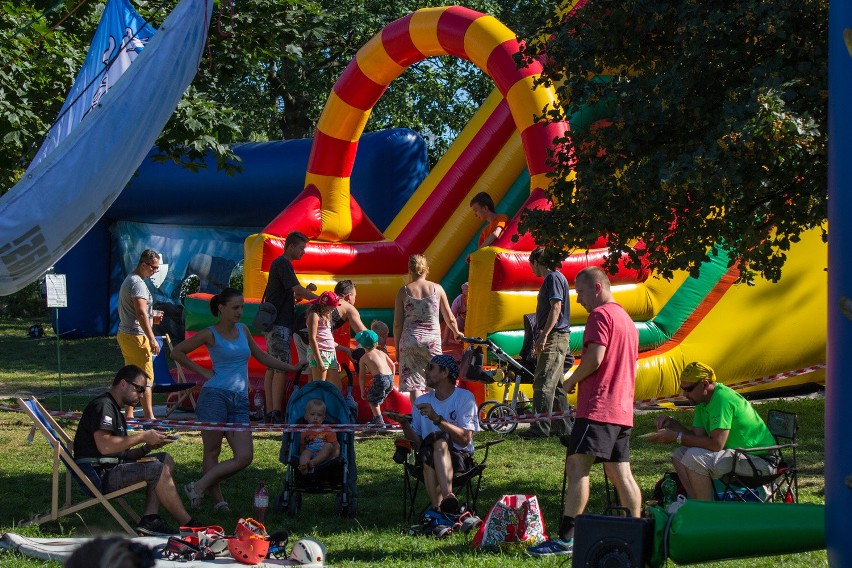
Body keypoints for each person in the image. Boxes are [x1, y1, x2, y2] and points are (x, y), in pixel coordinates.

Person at [528, 266, 642, 557]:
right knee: (622, 474)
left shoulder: (600, 315)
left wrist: (569, 382)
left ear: (597, 288)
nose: (577, 300)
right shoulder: (627, 320)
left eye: (579, 292)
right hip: (621, 409)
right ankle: (637, 532)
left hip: (598, 408)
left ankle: (566, 539)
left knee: (577, 468)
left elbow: (595, 358)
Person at [171, 288, 301, 511]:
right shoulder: (210, 333)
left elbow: (262, 356)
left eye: (242, 307)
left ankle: (198, 486)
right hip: (214, 396)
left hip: (239, 399)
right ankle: (218, 501)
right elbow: (177, 353)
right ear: (221, 308)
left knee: (244, 456)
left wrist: (291, 368)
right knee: (212, 451)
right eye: (235, 307)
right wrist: (203, 373)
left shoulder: (243, 330)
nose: (240, 312)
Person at [72, 365, 203, 536]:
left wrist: (147, 447)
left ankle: (150, 519)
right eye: (139, 389)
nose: (142, 395)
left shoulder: (114, 408)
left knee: (164, 459)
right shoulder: (103, 406)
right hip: (100, 475)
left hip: (110, 467)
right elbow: (105, 447)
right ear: (123, 384)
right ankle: (189, 525)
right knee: (158, 468)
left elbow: (122, 454)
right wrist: (142, 436)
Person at [646, 361, 777, 501]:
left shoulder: (722, 399)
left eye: (688, 389)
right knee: (679, 454)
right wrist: (673, 424)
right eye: (683, 388)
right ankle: (695, 504)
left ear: (705, 384)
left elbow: (716, 445)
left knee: (693, 457)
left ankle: (706, 510)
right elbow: (697, 438)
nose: (685, 394)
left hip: (759, 460)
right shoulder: (702, 401)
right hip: (740, 455)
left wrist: (677, 437)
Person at [395, 354, 479, 514]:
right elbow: (418, 444)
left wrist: (437, 419)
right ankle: (445, 503)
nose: (425, 371)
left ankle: (439, 508)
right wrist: (405, 424)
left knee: (438, 439)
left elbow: (464, 440)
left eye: (430, 368)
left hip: (459, 458)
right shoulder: (421, 402)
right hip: (428, 456)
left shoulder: (464, 398)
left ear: (445, 372)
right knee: (428, 449)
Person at [261, 231, 319, 422]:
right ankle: (275, 411)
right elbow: (297, 290)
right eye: (302, 248)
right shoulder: (283, 263)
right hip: (280, 324)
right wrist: (321, 299)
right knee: (280, 367)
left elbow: (292, 296)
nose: (304, 252)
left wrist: (304, 293)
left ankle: (270, 410)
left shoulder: (280, 265)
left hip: (274, 323)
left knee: (272, 367)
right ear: (291, 246)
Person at [394, 254, 463, 406]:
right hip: (431, 341)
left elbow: (398, 324)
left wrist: (398, 346)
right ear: (427, 269)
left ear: (409, 270)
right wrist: (457, 332)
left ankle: (418, 420)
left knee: (414, 384)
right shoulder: (437, 289)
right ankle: (435, 417)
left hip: (410, 340)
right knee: (436, 379)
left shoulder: (403, 291)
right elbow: (449, 317)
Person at [520, 247, 573, 439]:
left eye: (531, 264)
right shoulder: (557, 277)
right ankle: (563, 427)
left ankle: (539, 428)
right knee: (556, 384)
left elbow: (556, 307)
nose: (532, 269)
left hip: (555, 335)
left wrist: (543, 336)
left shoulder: (552, 278)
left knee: (543, 381)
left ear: (536, 262)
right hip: (558, 335)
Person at [116, 249, 161, 420]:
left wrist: (152, 316)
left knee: (132, 377)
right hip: (136, 337)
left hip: (127, 334)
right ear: (143, 264)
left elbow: (141, 312)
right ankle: (150, 419)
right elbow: (141, 313)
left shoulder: (132, 280)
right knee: (145, 379)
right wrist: (151, 338)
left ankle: (129, 415)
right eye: (154, 267)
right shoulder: (137, 284)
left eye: (157, 268)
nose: (155, 271)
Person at [294, 279, 367, 376]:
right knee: (324, 377)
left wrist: (344, 349)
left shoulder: (323, 302)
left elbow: (324, 336)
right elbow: (364, 334)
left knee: (310, 374)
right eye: (355, 296)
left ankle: (305, 388)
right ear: (349, 296)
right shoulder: (348, 308)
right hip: (314, 341)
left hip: (297, 335)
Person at [355, 329, 395, 428]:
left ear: (362, 345)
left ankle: (379, 423)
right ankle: (376, 420)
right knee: (377, 400)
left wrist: (362, 391)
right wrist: (392, 379)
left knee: (372, 400)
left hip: (380, 379)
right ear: (376, 342)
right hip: (389, 378)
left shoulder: (364, 358)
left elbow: (361, 377)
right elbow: (393, 365)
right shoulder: (382, 353)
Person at [306, 291, 342, 385]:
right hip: (320, 353)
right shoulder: (314, 315)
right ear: (324, 306)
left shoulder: (326, 315)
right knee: (320, 385)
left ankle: (330, 400)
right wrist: (319, 360)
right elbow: (312, 338)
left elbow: (329, 338)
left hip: (330, 354)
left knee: (336, 386)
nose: (333, 310)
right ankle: (317, 400)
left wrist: (335, 358)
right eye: (332, 308)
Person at [298, 398, 341, 474]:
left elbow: (336, 446)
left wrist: (334, 457)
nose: (315, 417)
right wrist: (303, 454)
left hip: (324, 456)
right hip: (310, 453)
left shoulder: (328, 430)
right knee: (305, 452)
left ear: (323, 418)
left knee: (328, 445)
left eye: (319, 415)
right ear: (306, 416)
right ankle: (304, 467)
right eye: (312, 414)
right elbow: (302, 446)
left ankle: (313, 463)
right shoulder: (304, 431)